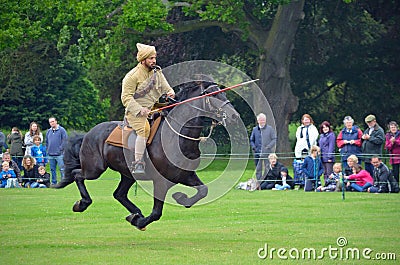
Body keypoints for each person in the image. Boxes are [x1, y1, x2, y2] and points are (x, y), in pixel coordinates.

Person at [121, 43, 175, 174]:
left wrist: (170, 92)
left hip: (154, 108)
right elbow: (126, 98)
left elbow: (166, 87)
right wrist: (140, 109)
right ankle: (138, 163)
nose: (154, 61)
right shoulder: (132, 76)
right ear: (143, 59)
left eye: (154, 57)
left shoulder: (157, 72)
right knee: (144, 129)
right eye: (151, 58)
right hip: (135, 113)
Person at [250, 113, 277, 181]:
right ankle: (259, 182)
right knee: (258, 168)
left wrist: (269, 146)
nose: (262, 122)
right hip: (257, 152)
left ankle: (267, 181)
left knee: (267, 167)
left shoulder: (270, 129)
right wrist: (254, 147)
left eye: (263, 120)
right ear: (258, 121)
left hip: (267, 152)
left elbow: (274, 139)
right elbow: (251, 140)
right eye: (261, 120)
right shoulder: (255, 129)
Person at [46, 117, 68, 184]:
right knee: (52, 170)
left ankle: (63, 182)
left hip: (59, 154)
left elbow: (65, 140)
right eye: (50, 122)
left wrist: (60, 149)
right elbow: (46, 141)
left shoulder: (62, 130)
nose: (51, 123)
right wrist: (47, 149)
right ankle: (54, 182)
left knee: (62, 169)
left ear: (56, 121)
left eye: (53, 121)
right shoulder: (49, 131)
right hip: (50, 154)